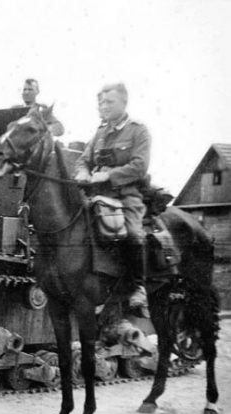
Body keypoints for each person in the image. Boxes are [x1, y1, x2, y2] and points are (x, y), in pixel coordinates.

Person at [74, 82, 151, 312]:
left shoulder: (138, 130)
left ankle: (138, 288)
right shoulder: (100, 132)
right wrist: (84, 172)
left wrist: (107, 176)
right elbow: (83, 160)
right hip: (96, 198)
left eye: (109, 102)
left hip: (126, 196)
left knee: (133, 234)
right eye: (101, 102)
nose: (103, 106)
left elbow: (139, 166)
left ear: (123, 102)